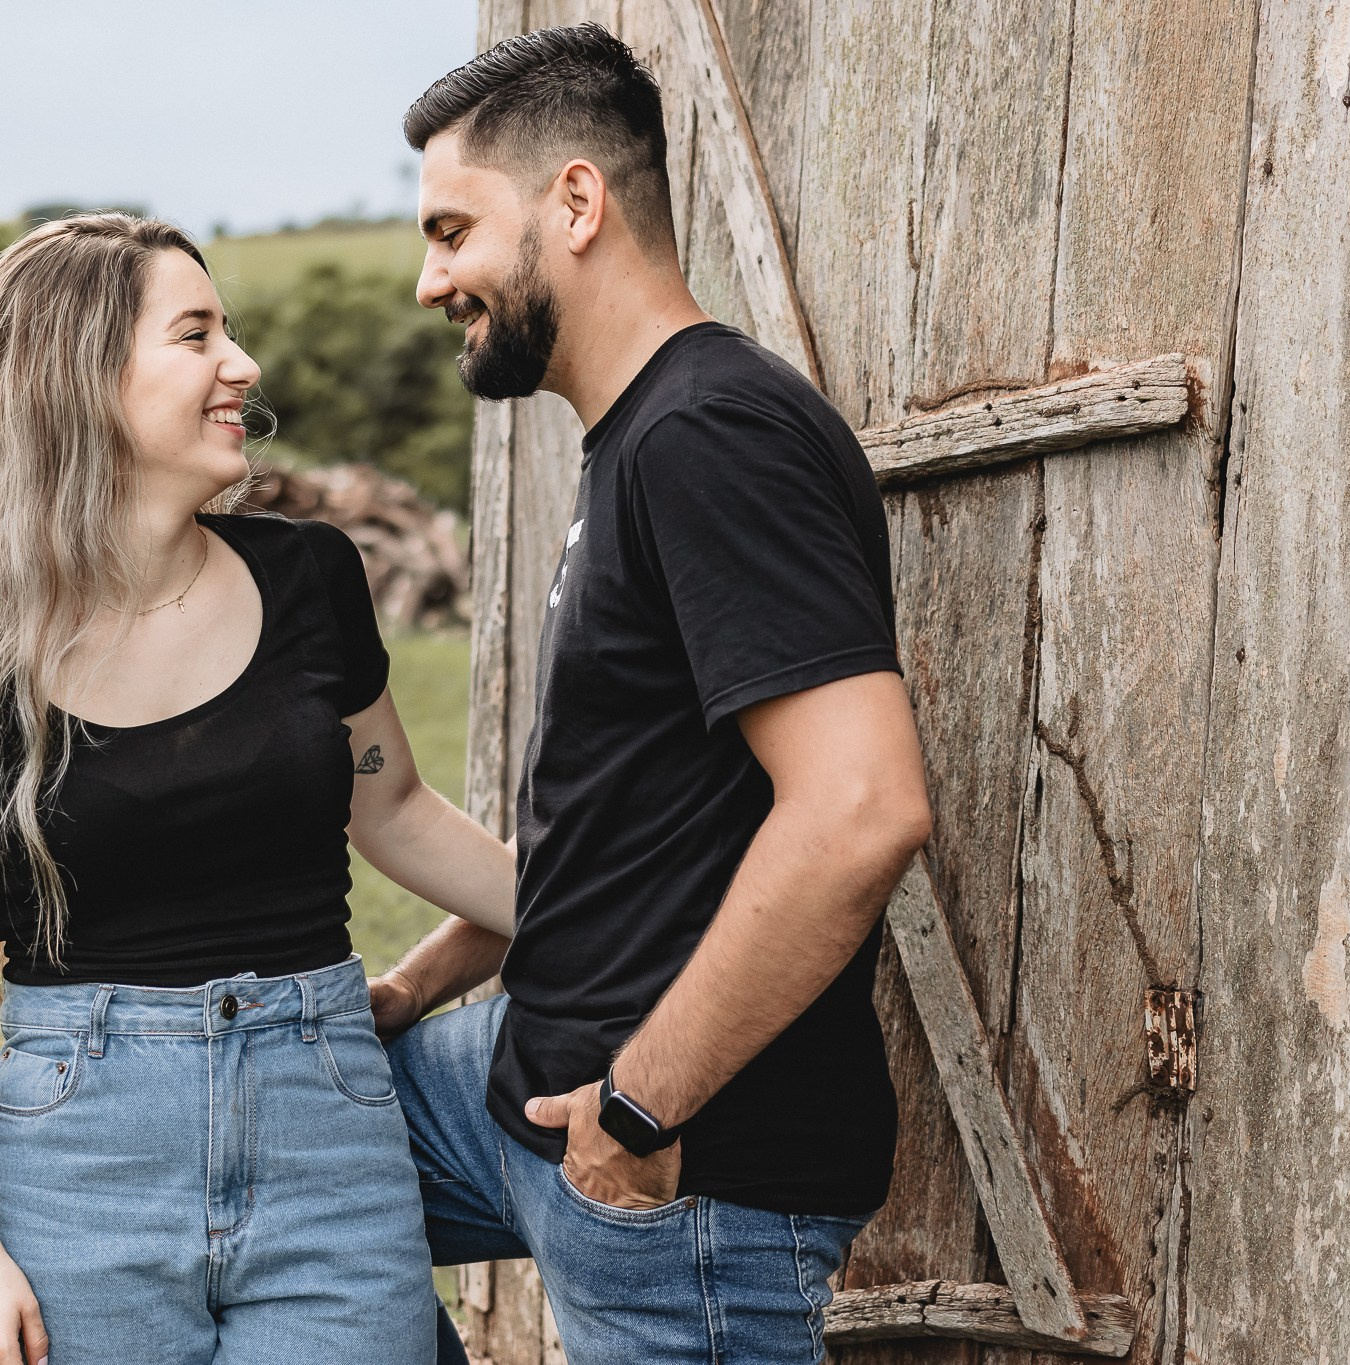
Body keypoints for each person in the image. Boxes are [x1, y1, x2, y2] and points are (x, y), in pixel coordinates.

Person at [0, 214, 516, 1365]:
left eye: (228, 331)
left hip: (327, 1135)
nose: (240, 366)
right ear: (78, 382)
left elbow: (392, 810)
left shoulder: (311, 578)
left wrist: (607, 917)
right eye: (195, 334)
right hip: (80, 1162)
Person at [370, 25, 934, 1365]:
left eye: (452, 231)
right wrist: (428, 973)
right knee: (258, 1146)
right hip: (511, 1079)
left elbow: (859, 808)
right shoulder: (640, 436)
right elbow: (648, 816)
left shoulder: (709, 437)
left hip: (677, 1171)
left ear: (575, 201)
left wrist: (635, 1113)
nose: (427, 279)